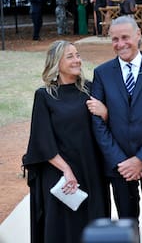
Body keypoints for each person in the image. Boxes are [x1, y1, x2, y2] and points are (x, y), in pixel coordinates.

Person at [91, 16, 142, 243]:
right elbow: (98, 123)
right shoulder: (102, 74)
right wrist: (122, 162)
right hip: (119, 166)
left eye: (125, 37)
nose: (120, 44)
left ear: (138, 35)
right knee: (127, 223)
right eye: (115, 39)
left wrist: (140, 159)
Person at [22, 40, 110, 243]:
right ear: (56, 63)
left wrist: (104, 113)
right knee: (62, 227)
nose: (77, 60)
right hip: (59, 173)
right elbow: (41, 140)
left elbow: (105, 127)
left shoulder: (90, 89)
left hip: (90, 170)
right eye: (70, 56)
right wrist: (66, 170)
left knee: (92, 224)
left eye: (78, 55)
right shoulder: (44, 96)